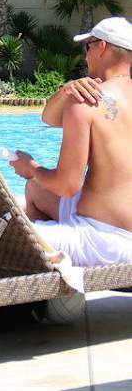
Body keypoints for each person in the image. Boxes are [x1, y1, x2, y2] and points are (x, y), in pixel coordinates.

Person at [11, 16, 132, 266]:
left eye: (88, 47)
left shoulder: (88, 102)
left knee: (1, 235)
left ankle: (47, 280)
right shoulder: (88, 98)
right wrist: (67, 89)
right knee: (35, 189)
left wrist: (30, 167)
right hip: (120, 232)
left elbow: (66, 186)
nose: (86, 56)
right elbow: (49, 118)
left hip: (102, 242)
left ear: (102, 47)